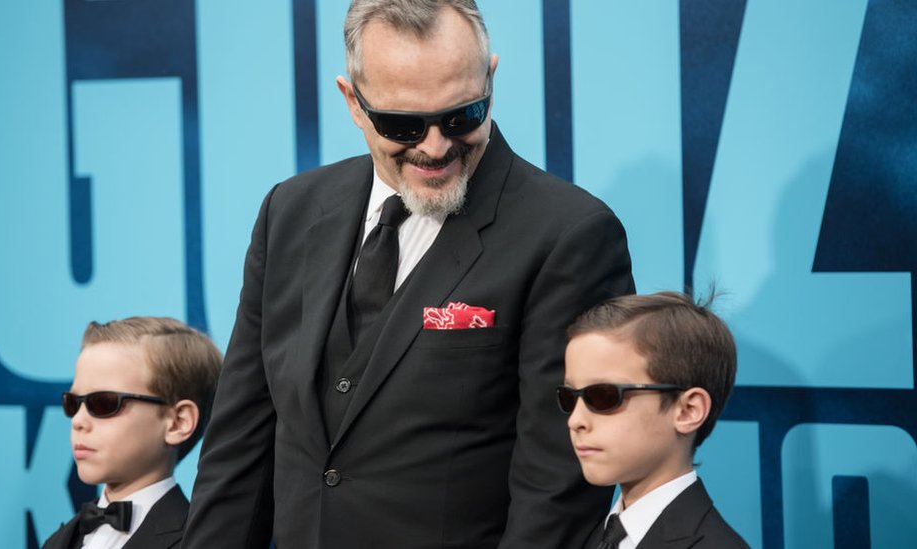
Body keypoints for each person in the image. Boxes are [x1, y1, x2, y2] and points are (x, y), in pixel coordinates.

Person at [183, 1, 634, 547]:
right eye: (403, 124)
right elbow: (239, 448)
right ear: (353, 101)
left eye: (462, 116)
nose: (436, 146)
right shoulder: (291, 212)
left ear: (490, 80)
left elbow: (557, 488)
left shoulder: (568, 235)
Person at [558, 292, 749, 548]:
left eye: (604, 396)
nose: (576, 421)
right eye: (569, 398)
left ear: (688, 410)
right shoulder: (595, 536)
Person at [42, 317, 221, 549]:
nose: (78, 421)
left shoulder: (198, 543)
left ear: (178, 422)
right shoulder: (58, 541)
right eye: (73, 403)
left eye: (104, 403)